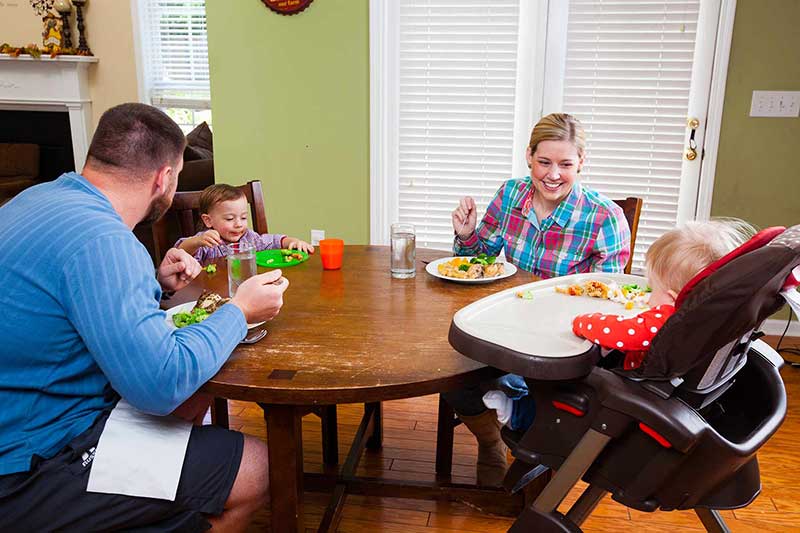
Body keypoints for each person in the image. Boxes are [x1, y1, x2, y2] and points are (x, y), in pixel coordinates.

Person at [0, 103, 287, 532]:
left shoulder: (37, 198)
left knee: (195, 402)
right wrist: (239, 312)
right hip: (29, 462)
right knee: (257, 467)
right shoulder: (107, 242)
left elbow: (67, 308)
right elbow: (160, 384)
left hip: (25, 415)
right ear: (165, 178)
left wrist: (156, 284)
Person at [445, 113, 631, 487]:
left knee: (538, 392)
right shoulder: (511, 194)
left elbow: (610, 300)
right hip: (505, 323)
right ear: (528, 156)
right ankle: (491, 440)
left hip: (561, 340)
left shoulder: (605, 218)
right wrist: (466, 237)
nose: (553, 174)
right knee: (448, 372)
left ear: (581, 162)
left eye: (565, 164)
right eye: (544, 162)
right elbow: (481, 259)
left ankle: (535, 448)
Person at [490, 219, 753, 433]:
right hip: (666, 393)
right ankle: (524, 387)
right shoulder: (706, 318)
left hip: (629, 396)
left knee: (572, 376)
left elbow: (619, 332)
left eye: (653, 289)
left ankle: (519, 413)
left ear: (673, 298)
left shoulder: (667, 319)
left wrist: (585, 321)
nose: (649, 297)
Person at [176, 183, 314, 266]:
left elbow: (274, 241)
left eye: (243, 217)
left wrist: (293, 242)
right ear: (208, 220)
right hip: (213, 296)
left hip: (246, 292)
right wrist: (197, 242)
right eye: (230, 219)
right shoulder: (206, 241)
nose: (238, 224)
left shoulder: (249, 237)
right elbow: (180, 252)